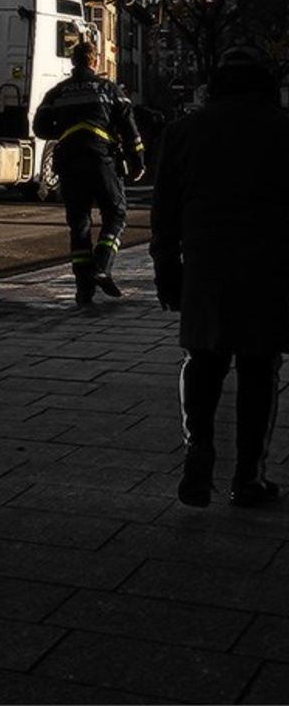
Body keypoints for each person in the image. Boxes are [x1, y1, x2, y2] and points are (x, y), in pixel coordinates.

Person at [151, 44, 289, 508]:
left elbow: (164, 214)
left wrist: (166, 269)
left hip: (206, 264)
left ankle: (198, 451)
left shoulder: (183, 131)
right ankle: (248, 476)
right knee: (259, 367)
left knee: (203, 359)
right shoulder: (282, 130)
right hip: (268, 264)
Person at [33, 40, 146, 306]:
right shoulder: (109, 90)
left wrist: (66, 133)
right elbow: (129, 127)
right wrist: (137, 160)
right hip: (101, 160)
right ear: (95, 62)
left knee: (79, 224)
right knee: (116, 214)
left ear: (73, 62)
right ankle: (102, 266)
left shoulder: (56, 92)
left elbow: (39, 128)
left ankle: (84, 289)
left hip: (70, 162)